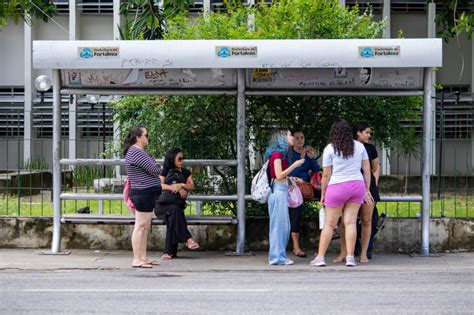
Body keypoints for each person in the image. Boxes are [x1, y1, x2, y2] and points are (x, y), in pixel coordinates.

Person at [311, 120, 373, 267]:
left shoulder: (330, 148)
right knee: (350, 222)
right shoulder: (359, 146)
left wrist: (322, 194)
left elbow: (326, 175)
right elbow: (367, 170)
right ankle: (350, 258)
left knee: (329, 224)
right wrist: (367, 190)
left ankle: (320, 258)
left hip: (337, 187)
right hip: (357, 186)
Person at [333, 122, 381, 263]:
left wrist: (372, 186)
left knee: (367, 220)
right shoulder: (348, 146)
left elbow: (374, 169)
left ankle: (364, 253)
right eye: (366, 132)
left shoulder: (371, 148)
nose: (369, 135)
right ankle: (344, 252)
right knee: (345, 222)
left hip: (367, 188)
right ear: (358, 133)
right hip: (351, 187)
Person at [265, 129, 305, 265]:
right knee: (278, 226)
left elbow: (281, 175)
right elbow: (278, 175)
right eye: (289, 135)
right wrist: (295, 165)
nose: (292, 137)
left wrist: (292, 178)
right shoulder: (277, 154)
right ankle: (277, 258)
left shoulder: (281, 155)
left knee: (283, 226)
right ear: (281, 138)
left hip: (281, 189)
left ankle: (279, 256)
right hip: (278, 191)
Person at [124, 126, 162, 268]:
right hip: (143, 193)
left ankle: (143, 257)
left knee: (144, 227)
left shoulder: (139, 152)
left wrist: (153, 161)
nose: (148, 137)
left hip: (146, 192)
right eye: (146, 135)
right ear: (138, 137)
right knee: (140, 226)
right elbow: (156, 169)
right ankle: (136, 259)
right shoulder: (136, 152)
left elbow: (154, 169)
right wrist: (154, 162)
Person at [156, 148, 199, 260]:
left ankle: (169, 252)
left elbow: (192, 186)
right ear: (172, 159)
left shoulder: (186, 172)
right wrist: (173, 187)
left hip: (175, 205)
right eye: (179, 158)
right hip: (162, 205)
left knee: (173, 215)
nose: (182, 160)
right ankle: (187, 239)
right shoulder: (164, 171)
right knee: (175, 211)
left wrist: (182, 185)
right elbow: (159, 185)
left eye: (182, 158)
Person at [288, 130, 321, 258]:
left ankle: (331, 225)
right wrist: (296, 180)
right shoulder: (289, 154)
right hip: (293, 186)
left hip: (306, 187)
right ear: (293, 140)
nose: (300, 140)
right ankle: (296, 246)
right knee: (296, 210)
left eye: (302, 137)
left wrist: (311, 158)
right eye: (297, 138)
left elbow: (317, 171)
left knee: (326, 196)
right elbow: (287, 171)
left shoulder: (307, 155)